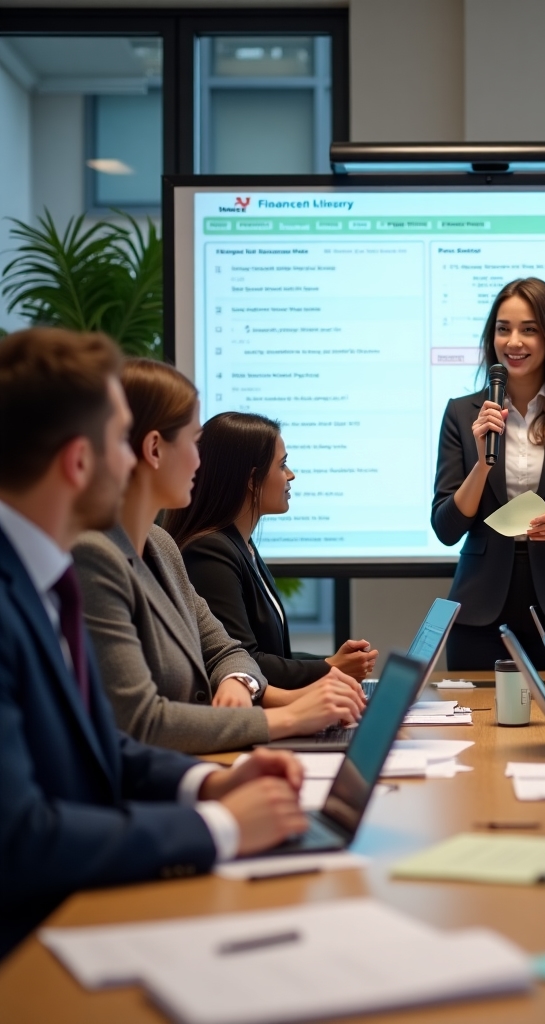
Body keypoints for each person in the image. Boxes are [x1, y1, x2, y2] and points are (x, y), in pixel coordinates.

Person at [0, 328, 312, 958]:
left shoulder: (41, 577)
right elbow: (20, 839)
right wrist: (218, 826)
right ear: (79, 463)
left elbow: (102, 745)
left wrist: (205, 785)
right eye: (120, 441)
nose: (131, 461)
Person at [73, 359, 364, 755]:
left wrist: (239, 680)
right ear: (154, 449)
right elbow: (141, 722)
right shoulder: (93, 555)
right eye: (193, 442)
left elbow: (227, 650)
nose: (200, 460)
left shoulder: (161, 545)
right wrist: (290, 717)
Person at [431, 277, 545, 671]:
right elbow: (446, 529)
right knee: (476, 708)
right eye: (504, 329)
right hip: (479, 604)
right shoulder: (462, 414)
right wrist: (483, 464)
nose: (513, 342)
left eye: (529, 329)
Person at [164, 412, 378, 689]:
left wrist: (334, 662)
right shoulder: (209, 553)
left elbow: (275, 656)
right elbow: (243, 663)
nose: (291, 475)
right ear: (252, 480)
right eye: (282, 465)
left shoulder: (241, 545)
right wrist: (331, 667)